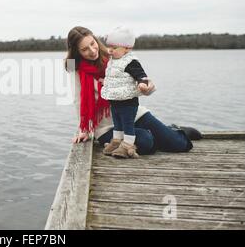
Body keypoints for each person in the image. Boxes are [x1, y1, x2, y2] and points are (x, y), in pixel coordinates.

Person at [65, 26, 195, 155]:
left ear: (95, 39)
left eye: (92, 44)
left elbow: (139, 76)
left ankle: (172, 131)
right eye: (84, 49)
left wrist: (147, 86)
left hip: (133, 113)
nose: (92, 51)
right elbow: (78, 99)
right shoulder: (73, 66)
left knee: (180, 145)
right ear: (77, 52)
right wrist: (83, 129)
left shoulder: (114, 54)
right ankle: (157, 136)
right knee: (145, 141)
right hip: (108, 128)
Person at [100, 26, 150, 159]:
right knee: (117, 123)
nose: (110, 50)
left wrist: (142, 84)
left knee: (127, 124)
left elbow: (141, 75)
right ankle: (116, 142)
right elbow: (113, 76)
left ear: (127, 48)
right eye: (109, 47)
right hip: (115, 101)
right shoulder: (113, 61)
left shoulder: (130, 61)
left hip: (128, 102)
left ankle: (127, 145)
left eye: (114, 48)